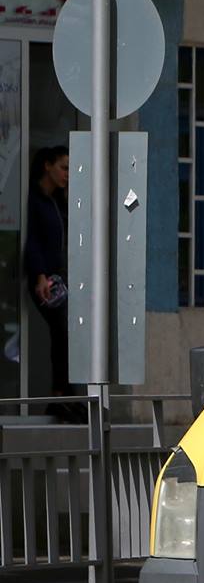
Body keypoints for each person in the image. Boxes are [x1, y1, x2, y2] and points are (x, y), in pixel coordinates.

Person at [22, 146, 78, 414]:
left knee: (68, 336)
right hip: (46, 282)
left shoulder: (57, 201)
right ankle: (59, 397)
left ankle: (67, 397)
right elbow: (31, 239)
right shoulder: (34, 199)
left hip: (62, 279)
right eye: (64, 168)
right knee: (62, 333)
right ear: (47, 166)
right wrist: (40, 275)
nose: (67, 174)